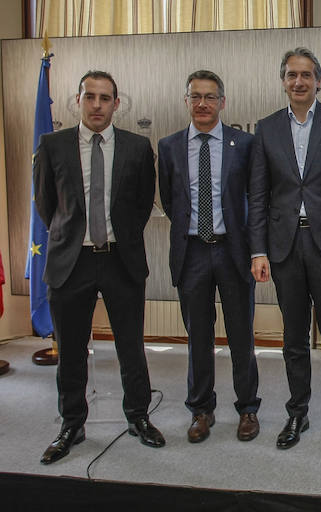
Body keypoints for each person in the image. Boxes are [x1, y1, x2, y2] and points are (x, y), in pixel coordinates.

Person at [35, 70, 165, 464]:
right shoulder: (53, 145)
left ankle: (138, 416)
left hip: (119, 260)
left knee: (131, 346)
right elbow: (46, 204)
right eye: (89, 97)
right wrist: (75, 239)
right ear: (78, 100)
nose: (96, 105)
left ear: (116, 104)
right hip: (70, 262)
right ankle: (72, 424)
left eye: (104, 98)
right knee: (71, 349)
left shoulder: (137, 147)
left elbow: (141, 204)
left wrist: (117, 237)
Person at [248, 48, 321, 452]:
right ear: (283, 81)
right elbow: (259, 195)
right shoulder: (265, 128)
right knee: (293, 337)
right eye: (291, 75)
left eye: (306, 74)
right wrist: (257, 251)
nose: (299, 81)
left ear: (319, 80)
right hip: (283, 247)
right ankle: (297, 412)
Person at [158, 70, 261, 444]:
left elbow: (255, 199)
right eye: (196, 96)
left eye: (210, 97)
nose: (203, 103)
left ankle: (248, 408)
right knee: (198, 338)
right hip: (192, 253)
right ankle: (201, 410)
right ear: (186, 101)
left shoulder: (244, 144)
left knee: (241, 337)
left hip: (233, 252)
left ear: (223, 102)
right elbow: (171, 202)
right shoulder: (169, 146)